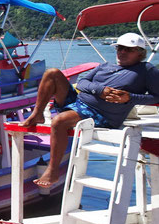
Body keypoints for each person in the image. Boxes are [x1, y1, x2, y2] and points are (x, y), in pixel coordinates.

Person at [21, 32, 159, 187]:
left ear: (140, 53)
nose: (122, 52)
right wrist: (100, 90)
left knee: (59, 121)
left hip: (102, 114)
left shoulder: (146, 70)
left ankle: (53, 170)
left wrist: (130, 97)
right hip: (79, 102)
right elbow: (82, 83)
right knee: (52, 73)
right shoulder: (105, 65)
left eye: (128, 49)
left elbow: (157, 96)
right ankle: (37, 114)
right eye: (120, 48)